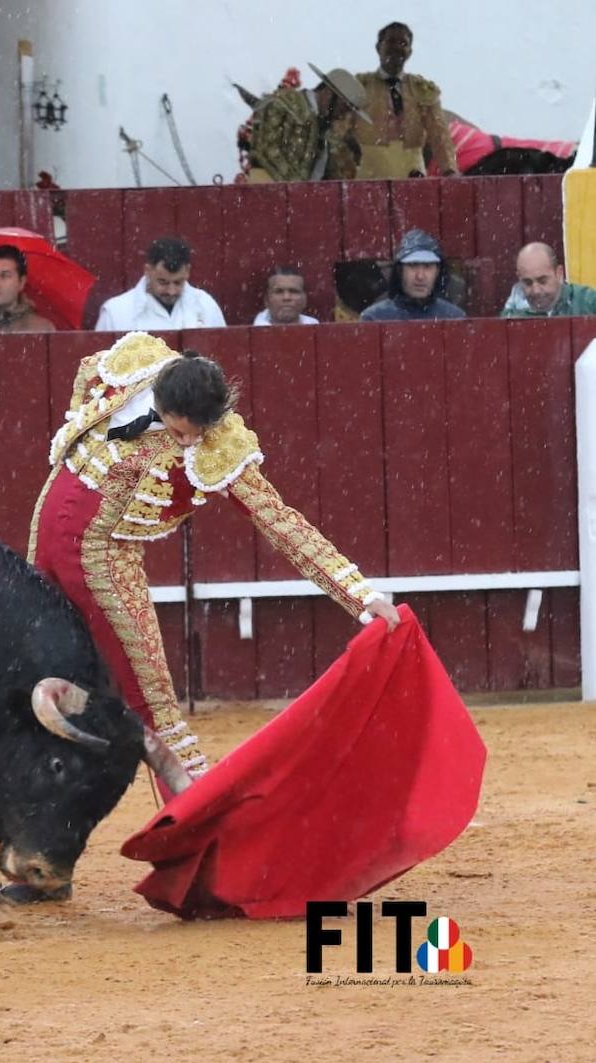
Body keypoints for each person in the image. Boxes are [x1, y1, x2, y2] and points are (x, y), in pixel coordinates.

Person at [28, 334, 399, 790]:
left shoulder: (220, 445)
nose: (185, 440)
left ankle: (189, 808)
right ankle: (192, 819)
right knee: (139, 698)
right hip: (56, 528)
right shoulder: (136, 363)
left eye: (193, 433)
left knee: (139, 691)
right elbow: (90, 370)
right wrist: (76, 446)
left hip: (102, 553)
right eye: (177, 429)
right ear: (160, 398)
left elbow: (280, 523)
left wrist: (360, 595)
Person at [333, 22, 457, 179]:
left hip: (413, 178)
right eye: (391, 41)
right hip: (369, 179)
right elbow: (336, 134)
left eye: (403, 43)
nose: (397, 47)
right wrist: (346, 170)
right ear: (378, 47)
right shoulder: (360, 86)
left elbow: (440, 135)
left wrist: (449, 170)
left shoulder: (422, 90)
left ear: (410, 52)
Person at [238, 64, 367, 183]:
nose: (343, 115)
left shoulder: (329, 132)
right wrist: (302, 190)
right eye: (344, 107)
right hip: (269, 198)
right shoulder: (282, 105)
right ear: (329, 93)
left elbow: (334, 177)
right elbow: (266, 153)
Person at [96, 237, 226, 331]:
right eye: (163, 282)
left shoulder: (206, 306)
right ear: (148, 271)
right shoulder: (116, 312)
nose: (171, 291)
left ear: (188, 271)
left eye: (178, 282)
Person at [360, 228, 465, 321]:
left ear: (437, 271)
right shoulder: (374, 318)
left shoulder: (454, 318)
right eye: (413, 265)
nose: (420, 276)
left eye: (427, 266)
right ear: (400, 270)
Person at [500, 242, 596, 318]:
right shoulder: (512, 317)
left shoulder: (587, 302)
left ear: (559, 274)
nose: (536, 290)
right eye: (528, 283)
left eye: (543, 281)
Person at [253, 267, 318, 325]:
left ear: (305, 300)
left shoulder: (316, 328)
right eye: (279, 291)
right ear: (266, 300)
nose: (286, 297)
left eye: (293, 291)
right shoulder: (252, 336)